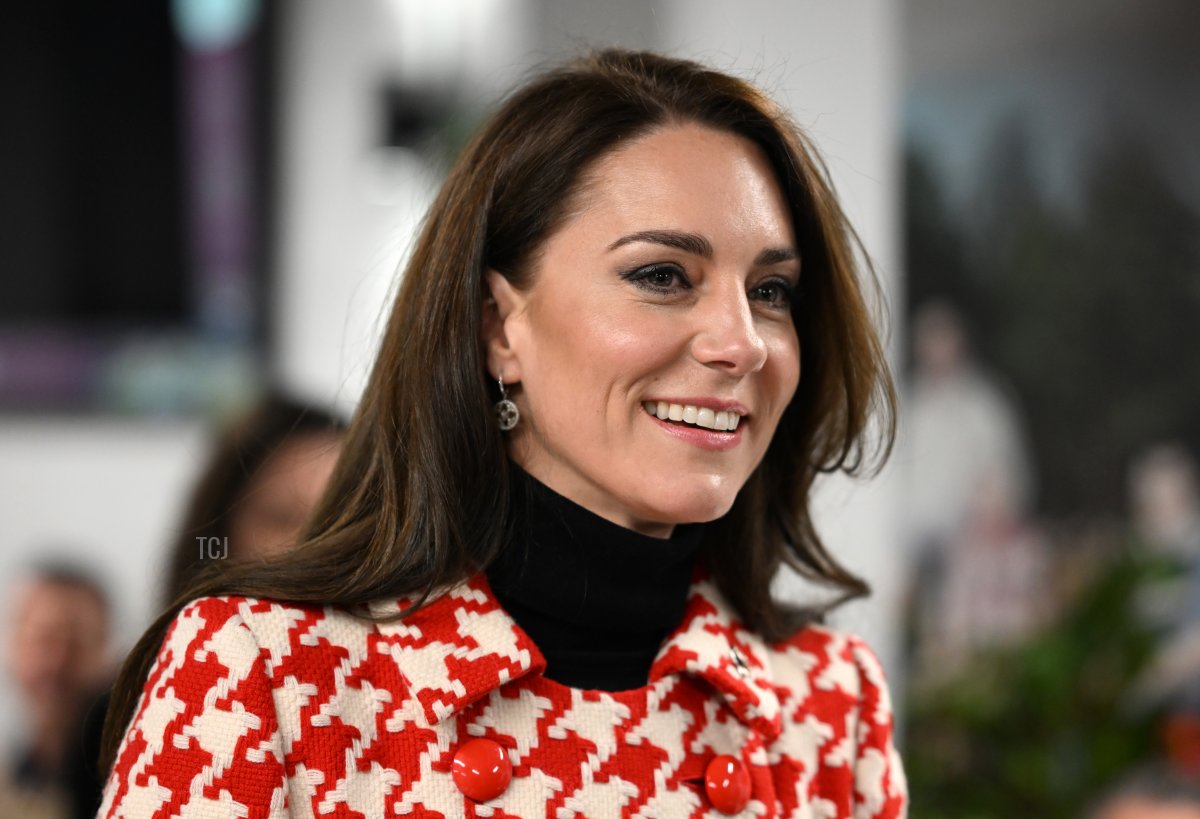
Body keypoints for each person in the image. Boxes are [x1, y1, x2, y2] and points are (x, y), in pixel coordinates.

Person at [97, 49, 905, 817]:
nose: (743, 341)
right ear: (497, 328)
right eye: (662, 276)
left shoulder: (828, 701)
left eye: (770, 290)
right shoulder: (262, 667)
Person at [1, 563, 111, 819]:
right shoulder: (10, 778)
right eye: (44, 640)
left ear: (106, 653)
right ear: (13, 645)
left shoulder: (134, 774)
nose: (57, 662)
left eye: (76, 643)